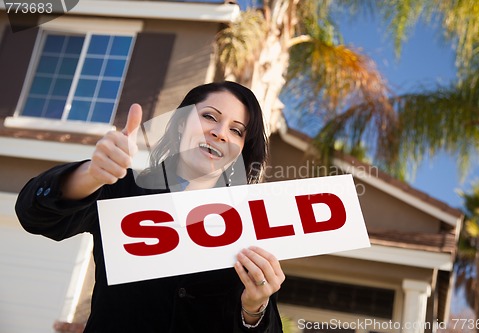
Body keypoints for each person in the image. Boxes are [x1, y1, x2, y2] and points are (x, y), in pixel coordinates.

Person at [15, 81, 285, 332]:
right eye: (210, 116)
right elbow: (34, 216)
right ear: (180, 123)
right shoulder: (123, 189)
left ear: (241, 149)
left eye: (236, 130)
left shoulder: (248, 226)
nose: (220, 133)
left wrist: (254, 309)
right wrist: (91, 175)